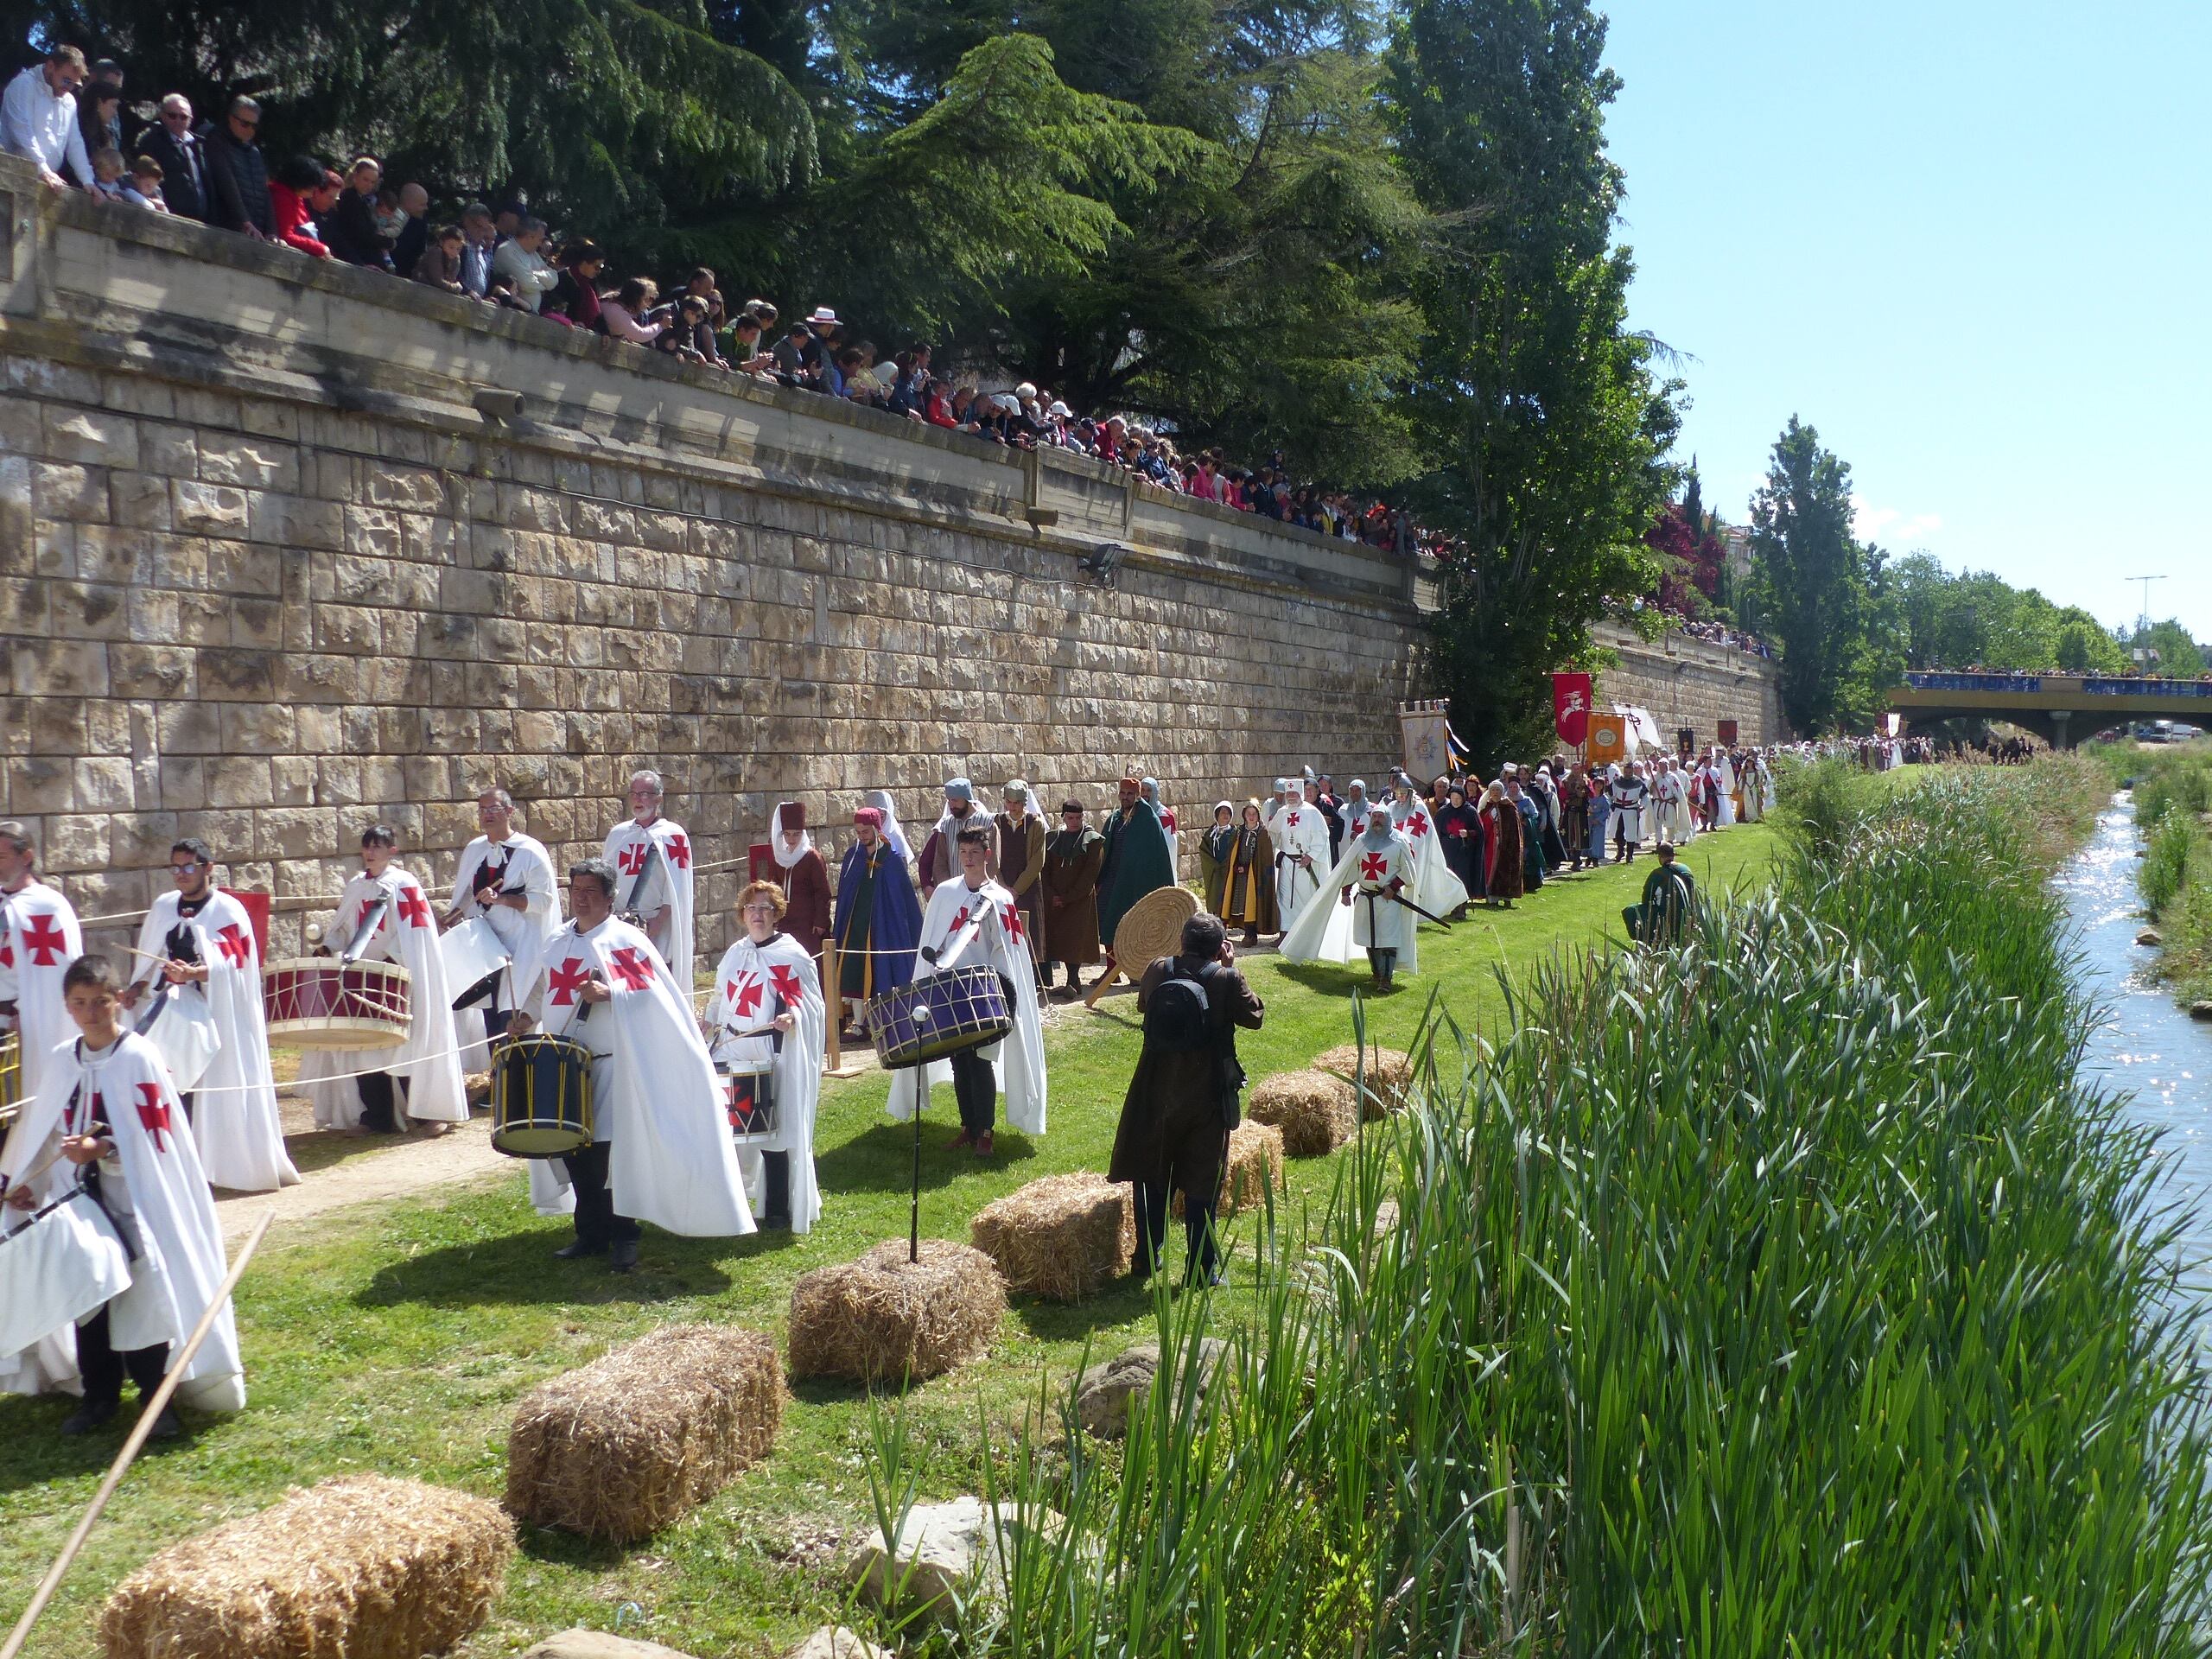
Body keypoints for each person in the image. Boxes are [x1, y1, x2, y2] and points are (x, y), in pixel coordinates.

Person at [1, 955, 245, 1433]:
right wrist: (27, 1181)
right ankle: (99, 1398)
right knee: (88, 1291)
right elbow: (45, 1132)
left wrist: (104, 1148)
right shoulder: (60, 1059)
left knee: (144, 1295)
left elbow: (155, 1137)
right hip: (78, 1201)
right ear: (67, 1007)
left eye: (101, 1002)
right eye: (80, 1003)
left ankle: (157, 1400)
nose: (91, 1013)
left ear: (119, 1002)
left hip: (136, 1199)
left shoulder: (138, 1057)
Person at [512, 859, 754, 1271]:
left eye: (592, 892)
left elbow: (654, 995)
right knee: (573, 1149)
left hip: (613, 1065)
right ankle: (590, 1233)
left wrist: (611, 992)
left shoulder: (624, 941)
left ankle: (625, 1234)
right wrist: (523, 1016)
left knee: (610, 1154)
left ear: (609, 898)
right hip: (565, 1062)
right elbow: (542, 986)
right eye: (577, 890)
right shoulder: (557, 940)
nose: (583, 899)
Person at [123, 838, 297, 1192]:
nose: (181, 875)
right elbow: (149, 957)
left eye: (188, 867)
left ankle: (220, 1166)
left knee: (210, 1089)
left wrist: (196, 973)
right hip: (172, 1011)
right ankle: (180, 1169)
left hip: (215, 1015)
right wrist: (135, 988)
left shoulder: (228, 911)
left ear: (208, 867)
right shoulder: (164, 908)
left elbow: (235, 964)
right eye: (175, 868)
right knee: (172, 1084)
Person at [1109, 912, 1263, 1286]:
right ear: (1219, 946)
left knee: (1149, 1174)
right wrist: (1230, 967)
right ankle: (1201, 1268)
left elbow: (1144, 1005)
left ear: (1182, 941)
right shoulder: (1226, 978)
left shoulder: (1157, 969)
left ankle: (1146, 1258)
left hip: (1156, 1088)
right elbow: (1254, 1016)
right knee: (1202, 1180)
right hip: (1206, 1094)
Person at [887, 827, 1046, 1156]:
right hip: (951, 991)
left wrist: (1000, 988)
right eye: (964, 853)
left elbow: (1008, 951)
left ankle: (985, 1131)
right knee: (960, 1060)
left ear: (987, 855)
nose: (969, 859)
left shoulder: (1001, 900)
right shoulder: (945, 894)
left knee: (981, 1060)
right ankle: (967, 1127)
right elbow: (933, 942)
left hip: (984, 993)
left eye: (975, 852)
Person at [305, 824, 468, 1135]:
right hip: (360, 977)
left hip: (397, 977)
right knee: (363, 1045)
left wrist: (393, 961)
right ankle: (377, 1116)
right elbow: (344, 930)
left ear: (392, 850)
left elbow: (416, 933)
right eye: (367, 847)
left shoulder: (403, 884)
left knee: (407, 1042)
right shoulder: (356, 886)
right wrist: (329, 947)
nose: (370, 853)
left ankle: (426, 1112)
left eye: (377, 847)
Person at [706, 880, 824, 1233]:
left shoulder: (792, 954)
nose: (758, 915)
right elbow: (719, 996)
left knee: (774, 1133)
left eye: (765, 909)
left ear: (777, 914)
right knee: (729, 1132)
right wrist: (708, 1021)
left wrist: (794, 1017)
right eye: (752, 909)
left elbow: (812, 1004)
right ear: (743, 915)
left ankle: (776, 1210)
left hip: (771, 1053)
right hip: (732, 1048)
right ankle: (733, 1201)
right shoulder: (735, 953)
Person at [443, 788, 562, 1062]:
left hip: (521, 945)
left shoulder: (531, 852)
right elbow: (466, 892)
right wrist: (452, 916)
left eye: (493, 809)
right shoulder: (475, 850)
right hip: (486, 945)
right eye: (482, 809)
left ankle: (517, 1080)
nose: (487, 815)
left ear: (509, 811)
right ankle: (497, 1079)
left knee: (513, 1012)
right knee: (490, 1011)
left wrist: (503, 899)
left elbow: (543, 901)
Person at [1281, 804, 1418, 986]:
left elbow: (1409, 870)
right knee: (1371, 938)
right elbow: (1351, 867)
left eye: (1381, 817)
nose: (1377, 820)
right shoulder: (1362, 840)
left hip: (1388, 899)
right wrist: (1346, 892)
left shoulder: (1399, 840)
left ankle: (1386, 979)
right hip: (1365, 897)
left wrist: (1393, 887)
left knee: (1388, 938)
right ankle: (1376, 974)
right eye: (1374, 816)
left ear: (1388, 819)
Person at [0, 821, 86, 1113]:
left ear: (26, 858)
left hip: (19, 1027)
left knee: (14, 1114)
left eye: (1, 857)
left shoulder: (48, 907)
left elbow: (61, 976)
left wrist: (23, 1012)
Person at [832, 805, 924, 1035]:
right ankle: (859, 1024)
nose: (861, 836)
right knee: (853, 969)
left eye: (865, 831)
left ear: (875, 829)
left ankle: (884, 1020)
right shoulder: (853, 856)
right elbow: (846, 890)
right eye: (858, 832)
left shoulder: (890, 859)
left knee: (883, 969)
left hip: (883, 925)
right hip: (856, 925)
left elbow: (901, 897)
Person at [603, 769, 695, 992]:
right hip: (620, 923)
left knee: (656, 984)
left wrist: (659, 920)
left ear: (658, 798)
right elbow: (605, 878)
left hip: (656, 924)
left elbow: (678, 886)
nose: (638, 799)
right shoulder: (618, 834)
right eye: (634, 793)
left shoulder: (673, 835)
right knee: (622, 984)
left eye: (644, 793)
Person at [1098, 775, 1178, 957]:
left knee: (1135, 926)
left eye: (1130, 794)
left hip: (1136, 883)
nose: (1125, 797)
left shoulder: (1148, 820)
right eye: (1122, 793)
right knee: (1108, 921)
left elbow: (1156, 857)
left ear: (1137, 795)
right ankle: (1112, 970)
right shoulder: (1115, 819)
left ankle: (1135, 969)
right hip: (1113, 878)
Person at [2, 44, 95, 191]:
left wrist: (88, 181)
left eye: (74, 84)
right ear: (51, 66)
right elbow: (22, 133)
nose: (69, 88)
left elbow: (75, 142)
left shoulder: (69, 101)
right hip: (11, 178)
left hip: (45, 183)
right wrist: (44, 169)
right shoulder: (24, 85)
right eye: (66, 80)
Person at [1039, 799, 1105, 998]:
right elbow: (1045, 870)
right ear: (1063, 817)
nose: (1074, 822)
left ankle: (1072, 980)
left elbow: (1090, 874)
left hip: (1079, 900)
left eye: (1078, 818)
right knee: (1061, 939)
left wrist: (1068, 897)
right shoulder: (1052, 838)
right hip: (1056, 899)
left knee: (1075, 939)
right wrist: (1052, 895)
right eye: (1070, 818)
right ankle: (1073, 982)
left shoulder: (1093, 841)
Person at [767, 802, 832, 966]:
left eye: (796, 834)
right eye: (787, 834)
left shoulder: (812, 857)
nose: (791, 839)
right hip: (785, 920)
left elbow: (822, 892)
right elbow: (774, 888)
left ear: (802, 834)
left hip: (808, 923)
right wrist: (773, 917)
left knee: (809, 962)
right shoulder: (780, 858)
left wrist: (820, 922)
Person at [994, 781, 1047, 976]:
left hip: (1028, 889)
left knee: (1029, 934)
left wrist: (1016, 890)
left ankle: (1031, 979)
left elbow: (1037, 860)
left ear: (1024, 802)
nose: (1013, 806)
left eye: (1017, 802)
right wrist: (1003, 887)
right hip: (1003, 887)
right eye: (1009, 802)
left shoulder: (1036, 824)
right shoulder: (997, 822)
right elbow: (994, 857)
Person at [202, 95, 273, 239]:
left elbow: (265, 193)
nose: (250, 130)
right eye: (245, 124)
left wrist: (272, 231)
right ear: (231, 119)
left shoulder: (254, 151)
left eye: (255, 126)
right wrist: (245, 222)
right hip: (225, 231)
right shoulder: (216, 142)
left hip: (255, 234)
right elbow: (226, 184)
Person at [1207, 801, 1276, 946]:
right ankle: (1234, 929)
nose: (1251, 817)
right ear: (1244, 815)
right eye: (1248, 814)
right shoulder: (1239, 832)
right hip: (1239, 875)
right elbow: (1233, 852)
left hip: (1255, 876)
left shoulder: (1262, 833)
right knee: (1238, 901)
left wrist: (1250, 867)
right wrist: (1237, 865)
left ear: (1258, 816)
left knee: (1252, 901)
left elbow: (1264, 858)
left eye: (1254, 814)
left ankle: (1251, 934)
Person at [1270, 780, 1332, 935]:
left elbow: (1322, 835)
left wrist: (1310, 856)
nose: (1291, 797)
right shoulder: (1282, 812)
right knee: (1284, 898)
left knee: (1304, 899)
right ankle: (1284, 934)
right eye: (1288, 793)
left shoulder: (1311, 812)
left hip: (1304, 864)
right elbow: (1273, 832)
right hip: (1287, 863)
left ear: (1300, 794)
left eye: (1294, 793)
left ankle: (1304, 934)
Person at [136, 94, 207, 222]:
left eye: (184, 117)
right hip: (167, 218)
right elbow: (147, 178)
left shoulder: (199, 145)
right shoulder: (152, 141)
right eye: (172, 116)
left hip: (201, 221)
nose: (178, 121)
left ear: (191, 119)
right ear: (162, 115)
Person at [917, 778, 987, 898]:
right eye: (949, 801)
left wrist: (978, 888)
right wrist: (950, 889)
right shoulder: (946, 825)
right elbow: (940, 862)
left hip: (982, 892)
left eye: (955, 800)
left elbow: (993, 862)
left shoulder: (988, 822)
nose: (951, 805)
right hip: (953, 894)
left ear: (967, 798)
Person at [1624, 841, 1696, 946]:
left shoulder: (1657, 874)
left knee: (1630, 911)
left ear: (1660, 857)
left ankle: (1648, 942)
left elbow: (1646, 900)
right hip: (1689, 915)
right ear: (1673, 855)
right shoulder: (1686, 869)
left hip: (1666, 918)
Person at [493, 218, 559, 313]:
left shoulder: (534, 255)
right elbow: (527, 283)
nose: (541, 244)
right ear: (529, 237)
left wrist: (533, 274)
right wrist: (545, 285)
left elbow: (554, 279)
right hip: (508, 313)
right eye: (540, 240)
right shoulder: (507, 250)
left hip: (528, 316)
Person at [1478, 781, 1522, 908]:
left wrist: (1512, 844)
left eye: (1498, 790)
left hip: (1507, 846)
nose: (1495, 793)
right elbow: (1481, 826)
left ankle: (1507, 898)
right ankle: (1492, 898)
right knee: (1492, 870)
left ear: (1502, 791)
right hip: (1490, 846)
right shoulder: (1486, 808)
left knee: (1506, 870)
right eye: (1493, 790)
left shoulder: (1509, 807)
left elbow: (1515, 828)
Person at [1607, 762, 1650, 863]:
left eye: (1630, 772)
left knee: (1631, 833)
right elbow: (1609, 794)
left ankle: (1629, 855)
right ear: (1623, 771)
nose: (1627, 774)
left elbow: (1646, 796)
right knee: (1618, 832)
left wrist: (1642, 806)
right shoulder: (1616, 781)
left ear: (1632, 772)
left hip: (1631, 810)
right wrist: (1610, 804)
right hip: (1619, 810)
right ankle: (1620, 852)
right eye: (1626, 772)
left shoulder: (1638, 782)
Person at [1197, 802, 1235, 900]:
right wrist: (1214, 865)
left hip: (1228, 871)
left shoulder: (1235, 834)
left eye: (1228, 812)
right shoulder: (1210, 834)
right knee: (1215, 897)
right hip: (1214, 872)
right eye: (1223, 812)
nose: (1225, 815)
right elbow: (1204, 852)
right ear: (1217, 815)